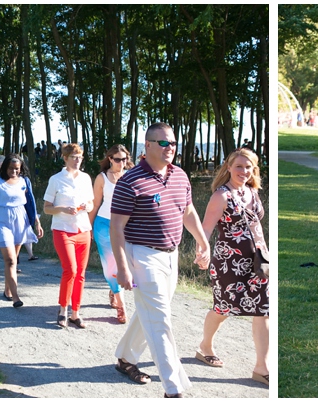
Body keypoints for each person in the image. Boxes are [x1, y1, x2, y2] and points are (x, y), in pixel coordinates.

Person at [110, 123, 210, 398]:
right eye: (163, 143)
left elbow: (188, 211)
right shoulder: (130, 181)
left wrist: (203, 242)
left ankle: (126, 357)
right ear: (148, 145)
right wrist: (122, 268)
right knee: (161, 319)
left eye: (173, 143)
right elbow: (116, 227)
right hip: (141, 254)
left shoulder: (179, 175)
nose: (170, 148)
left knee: (152, 313)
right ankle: (173, 387)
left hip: (171, 254)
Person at [197, 148, 270, 386]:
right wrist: (202, 251)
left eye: (248, 167)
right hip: (229, 262)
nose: (244, 171)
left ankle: (262, 367)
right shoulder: (221, 195)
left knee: (263, 310)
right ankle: (205, 346)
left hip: (259, 262)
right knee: (223, 308)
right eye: (239, 166)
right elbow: (206, 228)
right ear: (228, 167)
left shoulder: (253, 192)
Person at [43, 144, 94, 328]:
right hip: (63, 229)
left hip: (83, 229)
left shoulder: (86, 178)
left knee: (80, 273)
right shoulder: (56, 179)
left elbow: (90, 201)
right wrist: (63, 209)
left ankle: (75, 313)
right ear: (65, 158)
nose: (77, 160)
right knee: (70, 270)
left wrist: (88, 206)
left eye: (80, 157)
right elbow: (46, 208)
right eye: (74, 156)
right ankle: (63, 309)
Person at [0, 154, 42, 308]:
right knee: (10, 260)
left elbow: (30, 203)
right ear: (5, 167)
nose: (14, 171)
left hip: (20, 220)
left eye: (17, 169)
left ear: (21, 168)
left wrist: (36, 222)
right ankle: (16, 297)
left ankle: (7, 290)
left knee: (13, 260)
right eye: (11, 168)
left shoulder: (25, 181)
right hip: (2, 220)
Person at [90, 145, 133, 324]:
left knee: (127, 264)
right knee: (111, 265)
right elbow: (95, 203)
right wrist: (89, 226)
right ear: (110, 159)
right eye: (117, 159)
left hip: (127, 227)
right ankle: (122, 306)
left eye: (124, 159)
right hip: (103, 225)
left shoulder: (132, 175)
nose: (121, 163)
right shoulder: (102, 178)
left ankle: (114, 290)